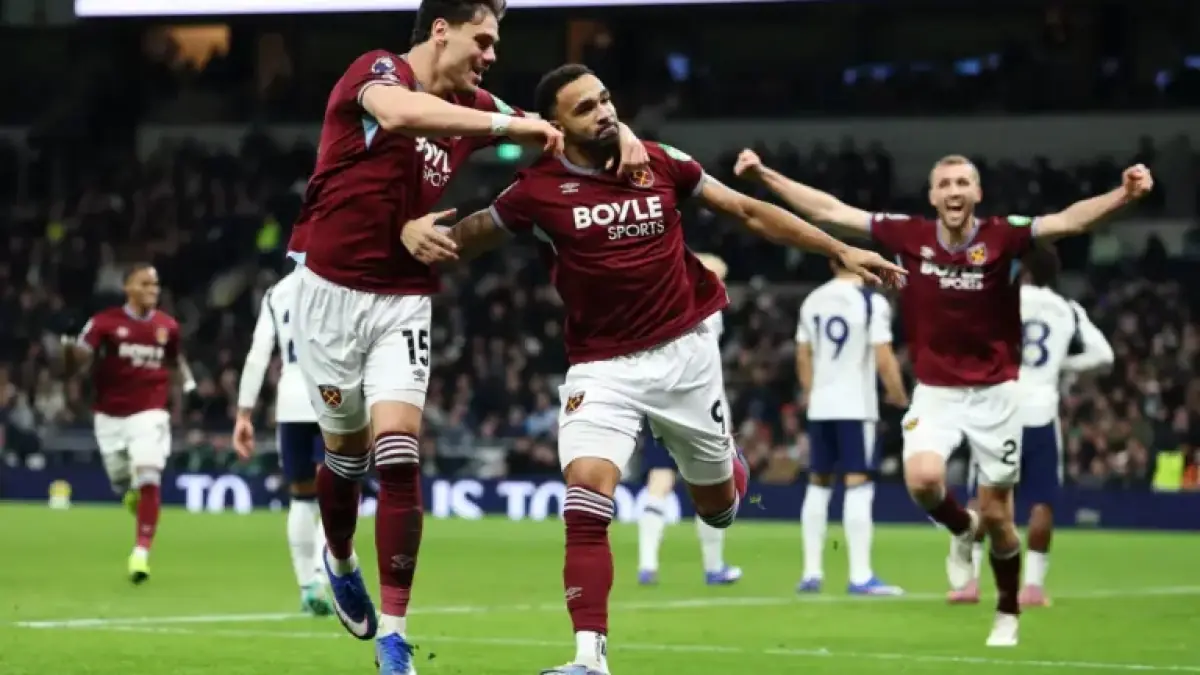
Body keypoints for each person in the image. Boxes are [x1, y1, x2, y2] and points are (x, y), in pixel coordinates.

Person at [422, 63, 903, 675]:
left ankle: (727, 467)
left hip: (686, 358)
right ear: (556, 125)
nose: (604, 112)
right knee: (585, 496)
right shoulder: (535, 191)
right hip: (602, 366)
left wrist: (838, 248)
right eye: (585, 107)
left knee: (718, 509)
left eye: (605, 98)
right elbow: (468, 238)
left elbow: (746, 211)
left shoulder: (659, 160)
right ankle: (589, 658)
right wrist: (409, 234)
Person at [282, 2, 646, 671]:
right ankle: (339, 557)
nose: (491, 55)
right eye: (483, 39)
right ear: (440, 30)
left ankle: (394, 636)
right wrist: (510, 125)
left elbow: (552, 130)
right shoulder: (378, 70)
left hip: (403, 298)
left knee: (398, 454)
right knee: (346, 457)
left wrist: (620, 135)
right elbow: (400, 114)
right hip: (328, 294)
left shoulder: (471, 105)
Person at [734, 148, 1152, 646]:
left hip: (997, 396)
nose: (954, 191)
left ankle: (1007, 611)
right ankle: (960, 528)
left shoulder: (1003, 235)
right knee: (924, 480)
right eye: (946, 184)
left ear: (977, 193)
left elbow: (1068, 222)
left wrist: (1123, 195)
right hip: (936, 393)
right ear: (932, 196)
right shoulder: (909, 235)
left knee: (999, 518)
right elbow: (830, 211)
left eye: (962, 183)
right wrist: (764, 174)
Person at [947, 245, 1114, 607]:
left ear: (1022, 271)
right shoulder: (1067, 309)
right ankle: (1034, 587)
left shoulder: (998, 302)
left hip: (998, 412)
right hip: (1040, 414)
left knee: (981, 498)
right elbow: (1104, 355)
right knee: (1041, 500)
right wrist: (1062, 366)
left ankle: (969, 583)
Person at [61, 264, 196, 584]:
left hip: (150, 413)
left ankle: (140, 553)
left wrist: (186, 391)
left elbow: (174, 361)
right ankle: (134, 497)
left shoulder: (167, 326)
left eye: (155, 284)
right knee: (122, 482)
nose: (153, 290)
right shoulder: (103, 323)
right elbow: (79, 362)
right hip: (109, 416)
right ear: (128, 288)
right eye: (145, 284)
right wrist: (69, 352)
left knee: (148, 474)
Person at [795, 259, 907, 596]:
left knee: (818, 483)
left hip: (821, 406)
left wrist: (813, 394)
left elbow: (803, 355)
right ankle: (860, 575)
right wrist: (899, 395)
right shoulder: (871, 302)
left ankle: (811, 572)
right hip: (856, 407)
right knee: (858, 484)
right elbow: (883, 356)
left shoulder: (813, 299)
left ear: (831, 263)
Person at [635, 253, 743, 588]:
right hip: (700, 406)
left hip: (660, 401)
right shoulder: (710, 310)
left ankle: (647, 564)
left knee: (659, 479)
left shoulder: (658, 306)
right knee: (712, 484)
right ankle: (713, 567)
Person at [233, 268, 332, 616]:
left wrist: (244, 413)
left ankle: (308, 586)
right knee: (338, 492)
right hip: (334, 398)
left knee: (302, 496)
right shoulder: (344, 278)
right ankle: (324, 575)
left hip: (291, 400)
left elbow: (258, 355)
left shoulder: (277, 292)